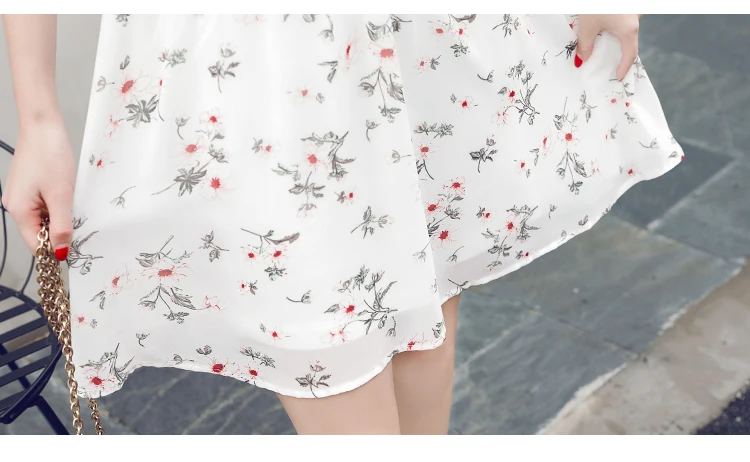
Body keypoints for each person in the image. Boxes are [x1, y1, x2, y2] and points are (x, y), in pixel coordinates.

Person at [2, 13, 681, 435]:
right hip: (250, 60)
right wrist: (37, 119)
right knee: (319, 334)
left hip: (408, 36)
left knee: (425, 296)